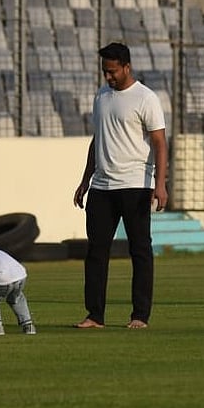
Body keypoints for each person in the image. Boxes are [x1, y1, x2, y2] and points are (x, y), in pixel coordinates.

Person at [72, 42, 168, 330]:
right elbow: (97, 139)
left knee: (140, 250)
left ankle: (139, 316)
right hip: (102, 187)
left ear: (127, 67)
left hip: (135, 185)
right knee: (96, 252)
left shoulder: (145, 98)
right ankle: (95, 315)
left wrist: (159, 184)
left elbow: (160, 142)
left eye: (113, 71)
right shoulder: (101, 96)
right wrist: (85, 178)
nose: (108, 77)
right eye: (105, 72)